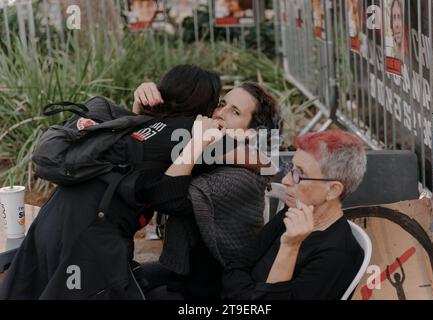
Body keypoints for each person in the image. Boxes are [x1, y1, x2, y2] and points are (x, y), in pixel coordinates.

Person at [0, 64, 223, 300]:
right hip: (88, 237)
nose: (221, 110)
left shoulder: (139, 122)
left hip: (53, 221)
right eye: (219, 103)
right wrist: (210, 137)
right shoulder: (190, 130)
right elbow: (256, 157)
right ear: (204, 102)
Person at [133, 80, 282, 300]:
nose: (219, 113)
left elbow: (167, 196)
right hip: (188, 274)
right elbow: (148, 154)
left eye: (235, 112)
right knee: (117, 279)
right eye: (221, 104)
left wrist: (196, 144)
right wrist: (141, 111)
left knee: (118, 289)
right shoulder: (211, 155)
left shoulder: (237, 178)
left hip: (218, 289)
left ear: (250, 133)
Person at [222, 130, 366, 300]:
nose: (286, 180)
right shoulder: (293, 211)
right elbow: (236, 265)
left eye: (300, 173)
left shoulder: (339, 254)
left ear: (333, 190)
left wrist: (290, 246)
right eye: (291, 169)